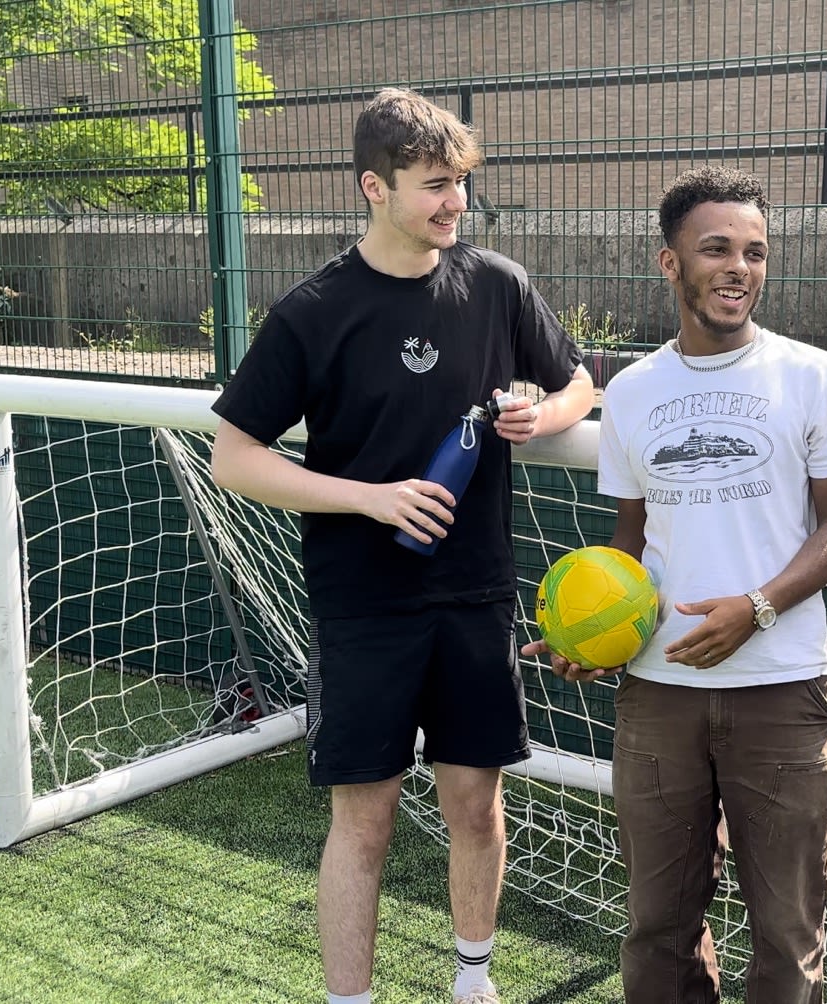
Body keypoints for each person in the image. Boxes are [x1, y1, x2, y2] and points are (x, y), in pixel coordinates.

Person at [208, 86, 596, 1004]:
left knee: (476, 804)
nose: (454, 202)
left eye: (460, 182)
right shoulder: (314, 311)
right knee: (366, 822)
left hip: (475, 594)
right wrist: (369, 500)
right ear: (372, 188)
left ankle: (474, 981)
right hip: (364, 603)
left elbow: (581, 383)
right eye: (433, 185)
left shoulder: (497, 284)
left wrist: (543, 413)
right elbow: (234, 457)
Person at [523, 165, 827, 1004]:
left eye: (755, 252)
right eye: (715, 248)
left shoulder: (813, 375)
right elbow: (631, 545)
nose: (739, 268)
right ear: (669, 262)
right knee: (656, 927)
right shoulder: (637, 391)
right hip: (658, 691)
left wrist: (756, 610)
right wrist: (596, 636)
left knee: (789, 935)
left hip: (783, 689)